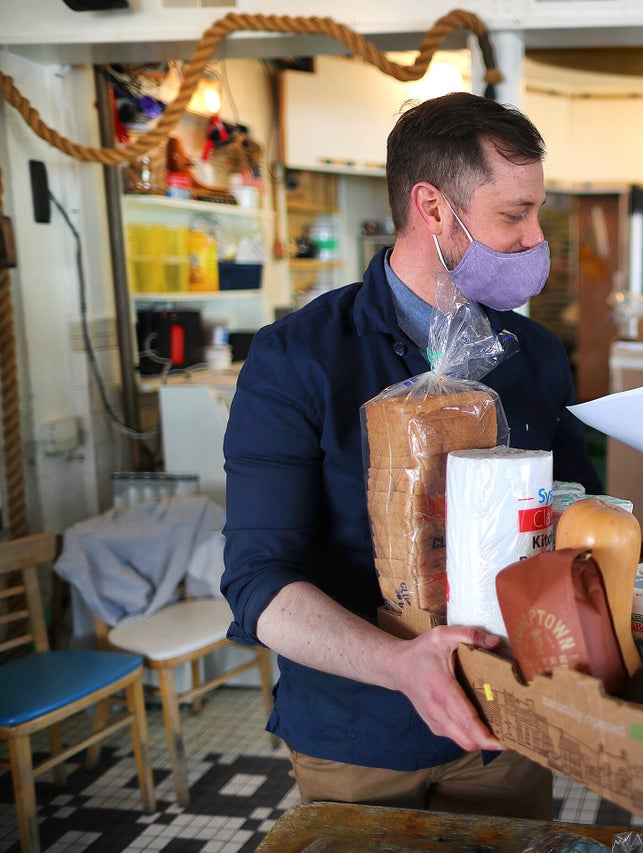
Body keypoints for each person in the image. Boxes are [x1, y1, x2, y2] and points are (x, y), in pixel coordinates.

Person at [221, 92, 601, 816]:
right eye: (514, 214)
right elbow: (258, 583)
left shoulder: (535, 353)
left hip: (508, 724)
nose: (534, 239)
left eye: (536, 211)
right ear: (431, 207)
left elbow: (576, 506)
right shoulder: (297, 358)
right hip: (358, 734)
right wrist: (400, 662)